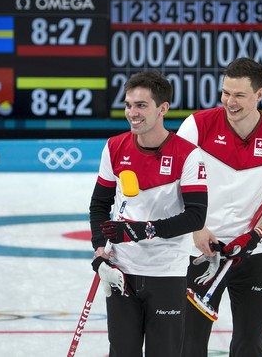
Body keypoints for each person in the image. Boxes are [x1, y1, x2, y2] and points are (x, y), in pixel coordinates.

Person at [177, 57, 262, 356]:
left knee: (250, 344)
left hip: (252, 255)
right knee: (188, 345)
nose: (229, 102)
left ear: (259, 94)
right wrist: (197, 227)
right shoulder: (196, 126)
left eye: (239, 95)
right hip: (200, 252)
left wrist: (256, 235)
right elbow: (173, 185)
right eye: (225, 93)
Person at [88, 70, 208, 356]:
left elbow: (195, 217)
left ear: (163, 108)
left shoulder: (187, 155)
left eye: (141, 105)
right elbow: (99, 205)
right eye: (128, 105)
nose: (132, 113)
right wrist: (98, 249)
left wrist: (139, 230)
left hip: (167, 273)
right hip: (122, 272)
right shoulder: (115, 147)